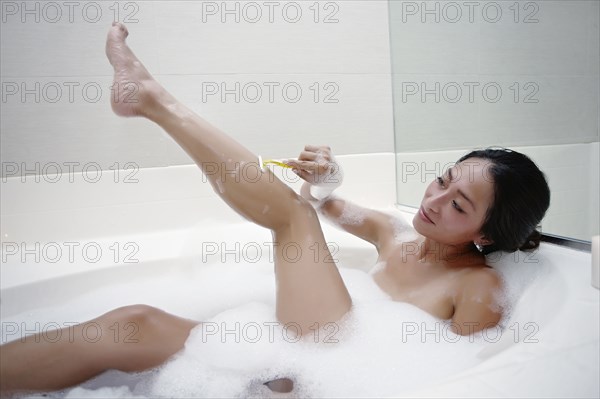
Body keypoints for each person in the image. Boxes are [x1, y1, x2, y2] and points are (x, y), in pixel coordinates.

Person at [0, 22, 551, 396]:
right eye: (440, 180)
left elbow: (456, 381)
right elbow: (329, 204)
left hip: (331, 378)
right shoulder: (396, 235)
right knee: (132, 324)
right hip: (286, 354)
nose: (432, 201)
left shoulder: (478, 289)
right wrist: (325, 179)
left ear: (485, 234)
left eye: (457, 203)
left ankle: (150, 99)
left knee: (292, 217)